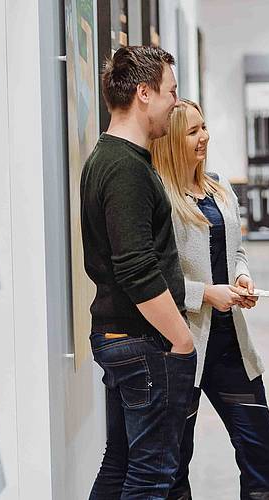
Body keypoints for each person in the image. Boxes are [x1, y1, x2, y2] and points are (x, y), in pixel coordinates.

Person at [80, 45, 196, 499]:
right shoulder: (125, 168)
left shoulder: (108, 158)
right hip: (142, 341)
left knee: (122, 464)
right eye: (170, 92)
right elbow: (135, 265)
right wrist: (181, 339)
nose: (175, 103)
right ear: (144, 94)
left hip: (122, 338)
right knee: (151, 476)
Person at [152, 99, 269, 500]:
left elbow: (235, 251)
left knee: (262, 453)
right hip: (181, 345)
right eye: (192, 132)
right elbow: (154, 276)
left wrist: (242, 276)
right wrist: (207, 294)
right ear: (172, 141)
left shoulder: (220, 187)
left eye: (204, 127)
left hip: (230, 346)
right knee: (174, 463)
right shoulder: (159, 197)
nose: (204, 137)